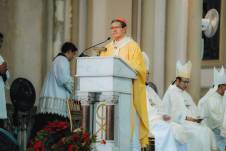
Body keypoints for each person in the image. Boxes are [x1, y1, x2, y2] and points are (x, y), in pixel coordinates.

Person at [100, 17, 149, 149]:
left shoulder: (132, 46)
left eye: (116, 27)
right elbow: (101, 66)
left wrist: (121, 63)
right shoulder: (107, 47)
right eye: (112, 28)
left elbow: (139, 68)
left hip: (127, 93)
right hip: (109, 92)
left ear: (124, 29)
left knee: (126, 124)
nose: (113, 30)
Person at [161, 60, 217, 151]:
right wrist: (192, 119)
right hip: (178, 124)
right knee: (201, 133)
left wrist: (197, 118)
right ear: (178, 80)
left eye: (188, 82)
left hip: (190, 124)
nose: (186, 84)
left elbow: (194, 110)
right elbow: (175, 116)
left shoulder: (186, 94)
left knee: (207, 131)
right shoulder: (172, 92)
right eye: (185, 82)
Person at [31, 42, 77, 138]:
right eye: (73, 54)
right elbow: (64, 80)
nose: (73, 57)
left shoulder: (57, 60)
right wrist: (74, 85)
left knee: (43, 133)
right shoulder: (63, 60)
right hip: (56, 104)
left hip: (50, 102)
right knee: (54, 135)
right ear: (69, 51)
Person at [143, 52, 187, 151]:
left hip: (157, 119)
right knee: (168, 130)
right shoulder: (138, 90)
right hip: (148, 122)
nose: (147, 76)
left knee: (178, 128)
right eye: (145, 73)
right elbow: (145, 112)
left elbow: (160, 106)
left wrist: (163, 115)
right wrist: (160, 117)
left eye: (148, 73)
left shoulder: (149, 89)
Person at [198, 66, 226, 151]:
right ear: (220, 86)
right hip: (214, 136)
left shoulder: (222, 97)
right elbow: (216, 120)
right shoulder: (210, 99)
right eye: (225, 86)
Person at [0, 32, 9, 128]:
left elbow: (6, 79)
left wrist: (3, 73)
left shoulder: (0, 58)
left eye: (1, 41)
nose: (0, 44)